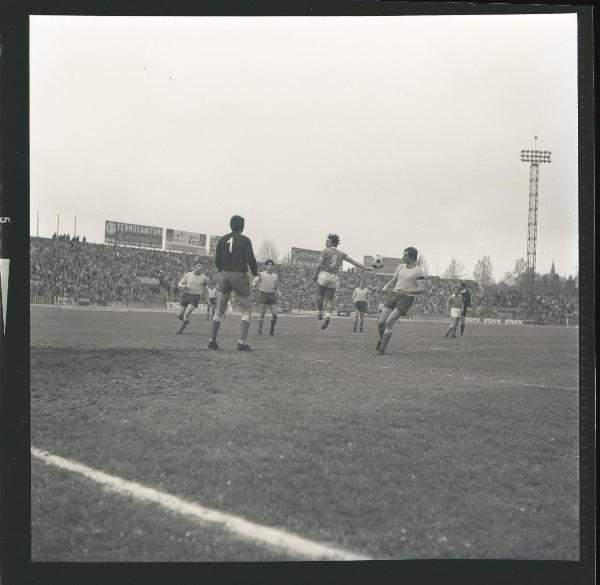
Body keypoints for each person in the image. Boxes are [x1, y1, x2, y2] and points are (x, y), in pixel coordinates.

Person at [209, 215, 258, 351]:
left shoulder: (222, 240)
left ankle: (212, 340)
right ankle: (242, 342)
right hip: (238, 275)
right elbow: (251, 259)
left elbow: (217, 260)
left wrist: (223, 272)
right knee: (247, 309)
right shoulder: (245, 240)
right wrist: (255, 272)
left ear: (230, 225)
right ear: (242, 226)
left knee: (219, 309)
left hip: (224, 274)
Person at [312, 234, 371, 330]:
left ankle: (319, 313)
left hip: (324, 274)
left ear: (332, 243)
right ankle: (328, 316)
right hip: (334, 277)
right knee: (330, 300)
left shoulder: (325, 251)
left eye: (327, 241)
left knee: (321, 296)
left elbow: (319, 265)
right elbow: (353, 262)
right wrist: (364, 267)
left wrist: (315, 275)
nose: (325, 243)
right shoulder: (342, 254)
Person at [376, 247, 425, 355]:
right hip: (394, 294)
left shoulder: (418, 271)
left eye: (405, 255)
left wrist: (406, 290)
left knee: (389, 322)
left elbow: (421, 289)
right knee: (380, 323)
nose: (403, 257)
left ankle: (382, 349)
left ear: (412, 257)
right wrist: (386, 286)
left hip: (406, 298)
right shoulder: (400, 267)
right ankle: (381, 340)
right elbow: (393, 281)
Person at [176, 262, 209, 334]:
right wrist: (183, 286)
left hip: (195, 296)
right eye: (199, 265)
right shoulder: (188, 274)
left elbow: (206, 290)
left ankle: (181, 330)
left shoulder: (204, 278)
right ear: (194, 267)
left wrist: (207, 300)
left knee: (187, 313)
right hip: (186, 295)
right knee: (179, 315)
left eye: (201, 266)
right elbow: (179, 284)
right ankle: (186, 321)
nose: (200, 267)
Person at [253, 259, 279, 335]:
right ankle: (259, 331)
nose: (270, 266)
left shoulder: (275, 276)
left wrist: (279, 292)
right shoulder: (261, 274)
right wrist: (254, 283)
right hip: (263, 294)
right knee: (262, 314)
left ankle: (271, 329)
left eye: (272, 264)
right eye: (269, 264)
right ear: (266, 266)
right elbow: (256, 279)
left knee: (275, 314)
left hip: (272, 295)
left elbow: (276, 286)